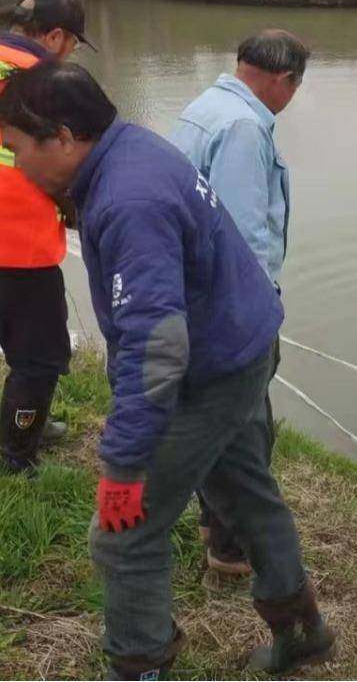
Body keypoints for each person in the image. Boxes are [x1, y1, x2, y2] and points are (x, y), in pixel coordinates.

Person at [0, 61, 334, 679]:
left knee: (124, 532)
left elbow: (156, 350)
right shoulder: (130, 147)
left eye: (18, 150)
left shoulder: (130, 201)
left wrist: (124, 468)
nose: (18, 168)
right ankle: (302, 630)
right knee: (242, 491)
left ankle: (139, 664)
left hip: (210, 368)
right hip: (240, 342)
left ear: (65, 137)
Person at [168, 28, 308, 575]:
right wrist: (256, 314)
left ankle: (213, 522)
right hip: (230, 308)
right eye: (296, 87)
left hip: (196, 297)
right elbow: (242, 237)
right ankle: (231, 550)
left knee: (219, 419)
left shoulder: (207, 106)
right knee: (246, 429)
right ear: (283, 79)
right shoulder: (246, 129)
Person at [0, 0, 93, 473]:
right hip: (18, 241)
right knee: (38, 357)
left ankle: (23, 422)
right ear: (55, 36)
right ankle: (17, 453)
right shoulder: (52, 83)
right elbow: (71, 160)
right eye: (73, 42)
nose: (71, 52)